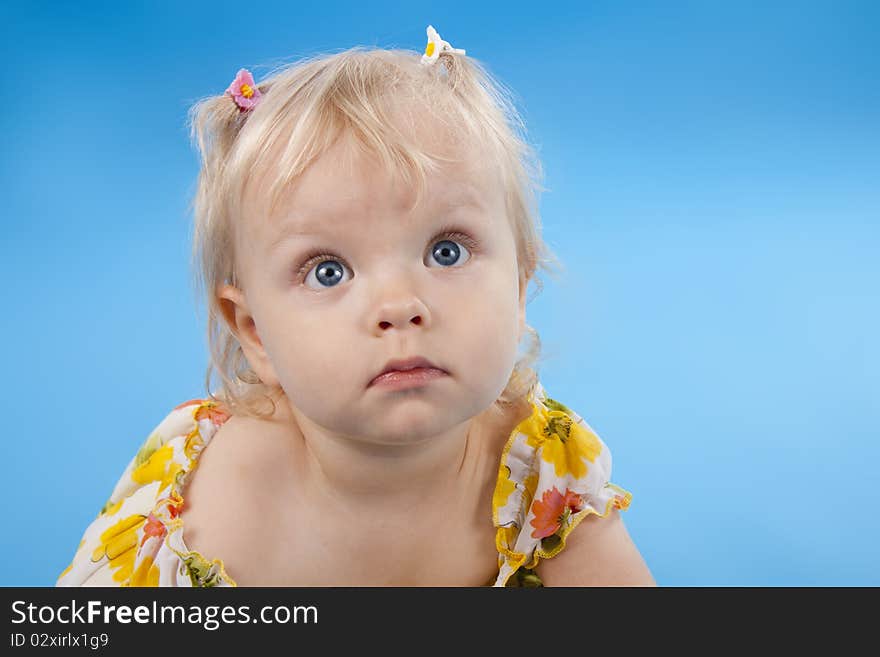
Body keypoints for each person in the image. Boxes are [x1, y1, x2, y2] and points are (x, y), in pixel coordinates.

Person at [56, 25, 655, 587]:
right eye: (328, 271)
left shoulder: (544, 478)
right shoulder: (207, 502)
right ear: (254, 331)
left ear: (520, 288)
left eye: (446, 252)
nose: (399, 306)